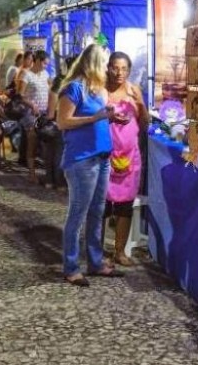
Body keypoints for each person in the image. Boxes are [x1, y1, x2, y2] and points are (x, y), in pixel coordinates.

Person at [57, 44, 123, 287]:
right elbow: (63, 122)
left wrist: (111, 117)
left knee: (97, 212)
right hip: (81, 160)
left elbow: (99, 119)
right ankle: (71, 267)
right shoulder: (74, 88)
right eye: (105, 62)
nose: (108, 68)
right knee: (78, 214)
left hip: (102, 158)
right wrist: (95, 117)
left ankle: (95, 262)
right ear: (94, 63)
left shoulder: (99, 91)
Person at [103, 51, 149, 266]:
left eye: (124, 68)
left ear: (129, 70)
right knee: (102, 206)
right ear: (108, 68)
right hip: (104, 155)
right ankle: (97, 250)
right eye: (115, 67)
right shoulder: (101, 92)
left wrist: (140, 103)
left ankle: (119, 251)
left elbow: (145, 124)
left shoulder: (134, 91)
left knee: (125, 205)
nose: (119, 72)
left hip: (130, 156)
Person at [18, 49, 51, 183]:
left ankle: (48, 173)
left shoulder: (45, 74)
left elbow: (50, 89)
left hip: (44, 112)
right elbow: (20, 95)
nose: (46, 66)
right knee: (32, 139)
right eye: (44, 63)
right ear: (37, 61)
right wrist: (32, 105)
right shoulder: (26, 74)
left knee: (46, 141)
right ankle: (31, 173)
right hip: (30, 113)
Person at [42, 56, 72, 191]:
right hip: (62, 122)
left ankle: (49, 181)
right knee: (59, 153)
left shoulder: (57, 83)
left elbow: (50, 111)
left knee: (51, 152)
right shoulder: (66, 85)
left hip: (53, 122)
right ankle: (60, 183)